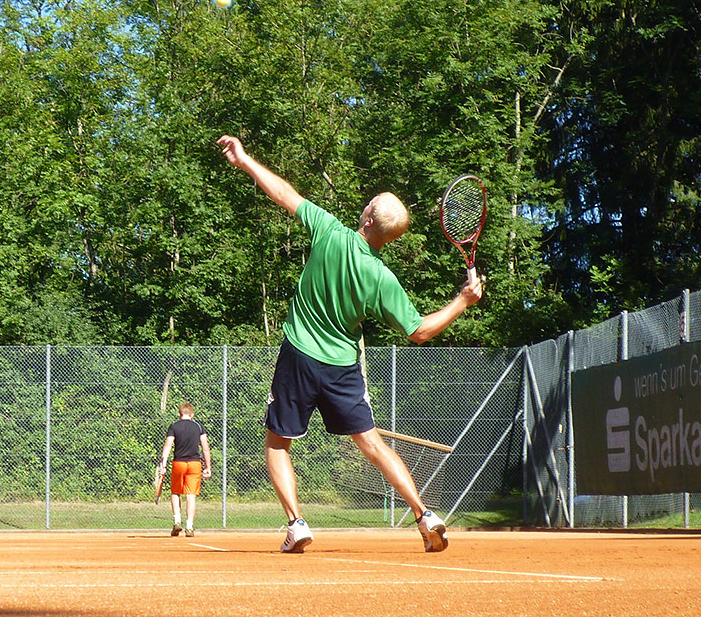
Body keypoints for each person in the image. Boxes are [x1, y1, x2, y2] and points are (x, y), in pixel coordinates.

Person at [216, 135, 483, 553]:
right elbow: (420, 331)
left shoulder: (330, 232)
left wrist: (245, 160)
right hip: (342, 367)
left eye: (371, 201)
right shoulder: (381, 279)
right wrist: (463, 301)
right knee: (372, 443)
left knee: (276, 442)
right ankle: (423, 514)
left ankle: (296, 523)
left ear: (368, 221)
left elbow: (284, 193)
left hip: (300, 355)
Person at [157, 402, 213, 537]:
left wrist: (162, 464)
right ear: (192, 414)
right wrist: (208, 467)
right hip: (195, 464)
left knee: (175, 492)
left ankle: (177, 522)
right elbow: (205, 448)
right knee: (191, 495)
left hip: (179, 463)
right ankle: (189, 527)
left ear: (179, 414)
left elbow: (168, 446)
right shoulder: (199, 427)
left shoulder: (174, 426)